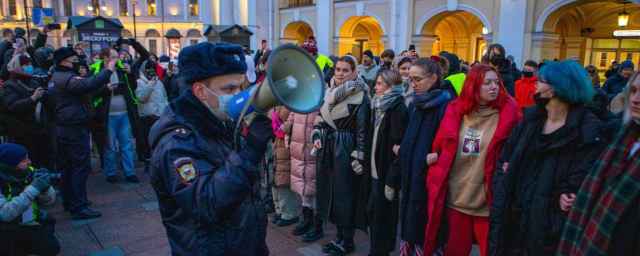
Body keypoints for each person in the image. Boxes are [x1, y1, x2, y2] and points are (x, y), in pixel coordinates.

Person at [148, 42, 272, 255]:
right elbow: (206, 202)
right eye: (228, 89)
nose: (237, 95)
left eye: (240, 87)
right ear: (200, 91)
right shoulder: (176, 143)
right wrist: (250, 153)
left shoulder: (220, 120)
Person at [489, 60, 607, 255]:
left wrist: (564, 199)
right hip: (511, 219)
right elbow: (505, 157)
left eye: (541, 81)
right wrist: (502, 184)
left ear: (557, 88)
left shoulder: (587, 131)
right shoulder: (531, 119)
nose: (536, 84)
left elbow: (584, 178)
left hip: (545, 231)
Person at [423, 64, 522, 256]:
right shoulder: (455, 112)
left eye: (496, 82)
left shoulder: (510, 117)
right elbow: (439, 147)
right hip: (457, 198)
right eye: (487, 83)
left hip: (487, 202)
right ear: (473, 86)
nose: (494, 87)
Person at [557, 71, 640, 256]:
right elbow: (601, 185)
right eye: (633, 90)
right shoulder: (624, 135)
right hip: (591, 238)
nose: (635, 98)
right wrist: (572, 192)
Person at [388, 58, 452, 256]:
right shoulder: (415, 104)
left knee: (427, 231)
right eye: (410, 79)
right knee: (410, 228)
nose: (412, 84)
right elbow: (408, 140)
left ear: (433, 78)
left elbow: (450, 147)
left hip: (430, 182)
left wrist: (424, 159)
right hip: (411, 178)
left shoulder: (446, 106)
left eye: (417, 79)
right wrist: (402, 154)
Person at [313, 55, 370, 255]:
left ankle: (347, 241)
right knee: (331, 195)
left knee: (345, 196)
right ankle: (338, 237)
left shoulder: (360, 96)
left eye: (345, 70)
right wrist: (316, 135)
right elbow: (321, 120)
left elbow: (363, 130)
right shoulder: (330, 91)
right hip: (328, 147)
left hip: (346, 149)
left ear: (354, 72)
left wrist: (358, 157)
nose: (340, 73)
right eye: (338, 69)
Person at [51, 46, 116, 219]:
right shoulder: (68, 78)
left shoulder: (55, 77)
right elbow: (88, 84)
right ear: (65, 62)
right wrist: (108, 71)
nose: (77, 63)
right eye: (73, 60)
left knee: (68, 167)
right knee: (80, 166)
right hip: (73, 128)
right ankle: (79, 206)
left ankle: (69, 200)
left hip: (65, 127)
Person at [357, 69, 408, 256]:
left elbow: (399, 148)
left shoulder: (398, 109)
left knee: (383, 217)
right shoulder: (380, 106)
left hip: (385, 174)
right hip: (373, 171)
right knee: (372, 212)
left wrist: (392, 180)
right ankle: (376, 249)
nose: (375, 87)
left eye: (379, 84)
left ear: (391, 87)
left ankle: (379, 251)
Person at [90, 47, 142, 184]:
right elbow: (90, 92)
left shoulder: (122, 68)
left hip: (125, 112)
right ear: (105, 58)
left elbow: (133, 86)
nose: (116, 60)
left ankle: (130, 172)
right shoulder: (96, 69)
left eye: (116, 57)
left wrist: (131, 73)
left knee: (127, 145)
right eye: (113, 58)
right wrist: (105, 89)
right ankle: (111, 172)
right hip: (107, 114)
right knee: (110, 146)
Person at [0, 143, 60, 256]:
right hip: (6, 226)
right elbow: (4, 214)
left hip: (27, 220)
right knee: (8, 233)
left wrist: (45, 188)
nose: (29, 162)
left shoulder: (29, 171)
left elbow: (49, 201)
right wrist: (33, 189)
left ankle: (22, 248)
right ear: (9, 164)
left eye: (27, 157)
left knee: (51, 246)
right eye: (23, 160)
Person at [2, 55, 50, 170]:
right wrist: (32, 99)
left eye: (30, 64)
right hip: (22, 131)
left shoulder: (33, 82)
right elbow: (12, 106)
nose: (30, 67)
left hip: (39, 128)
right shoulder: (9, 85)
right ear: (18, 67)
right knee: (28, 161)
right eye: (26, 65)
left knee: (43, 160)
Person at [281, 104, 321, 240]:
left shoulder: (324, 96)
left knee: (316, 186)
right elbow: (289, 121)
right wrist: (289, 141)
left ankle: (317, 222)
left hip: (315, 150)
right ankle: (307, 218)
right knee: (303, 185)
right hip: (298, 149)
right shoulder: (301, 99)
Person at [268, 106, 301, 227]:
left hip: (286, 144)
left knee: (285, 179)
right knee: (275, 178)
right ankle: (280, 211)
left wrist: (288, 126)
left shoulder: (293, 101)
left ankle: (289, 213)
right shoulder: (275, 101)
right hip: (275, 144)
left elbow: (298, 122)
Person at [135, 59, 168, 173]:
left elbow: (164, 97)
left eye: (153, 69)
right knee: (147, 141)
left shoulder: (159, 82)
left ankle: (159, 161)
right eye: (148, 69)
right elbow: (141, 98)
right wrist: (149, 86)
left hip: (159, 116)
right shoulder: (139, 82)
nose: (151, 71)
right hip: (147, 116)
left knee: (160, 140)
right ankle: (148, 162)